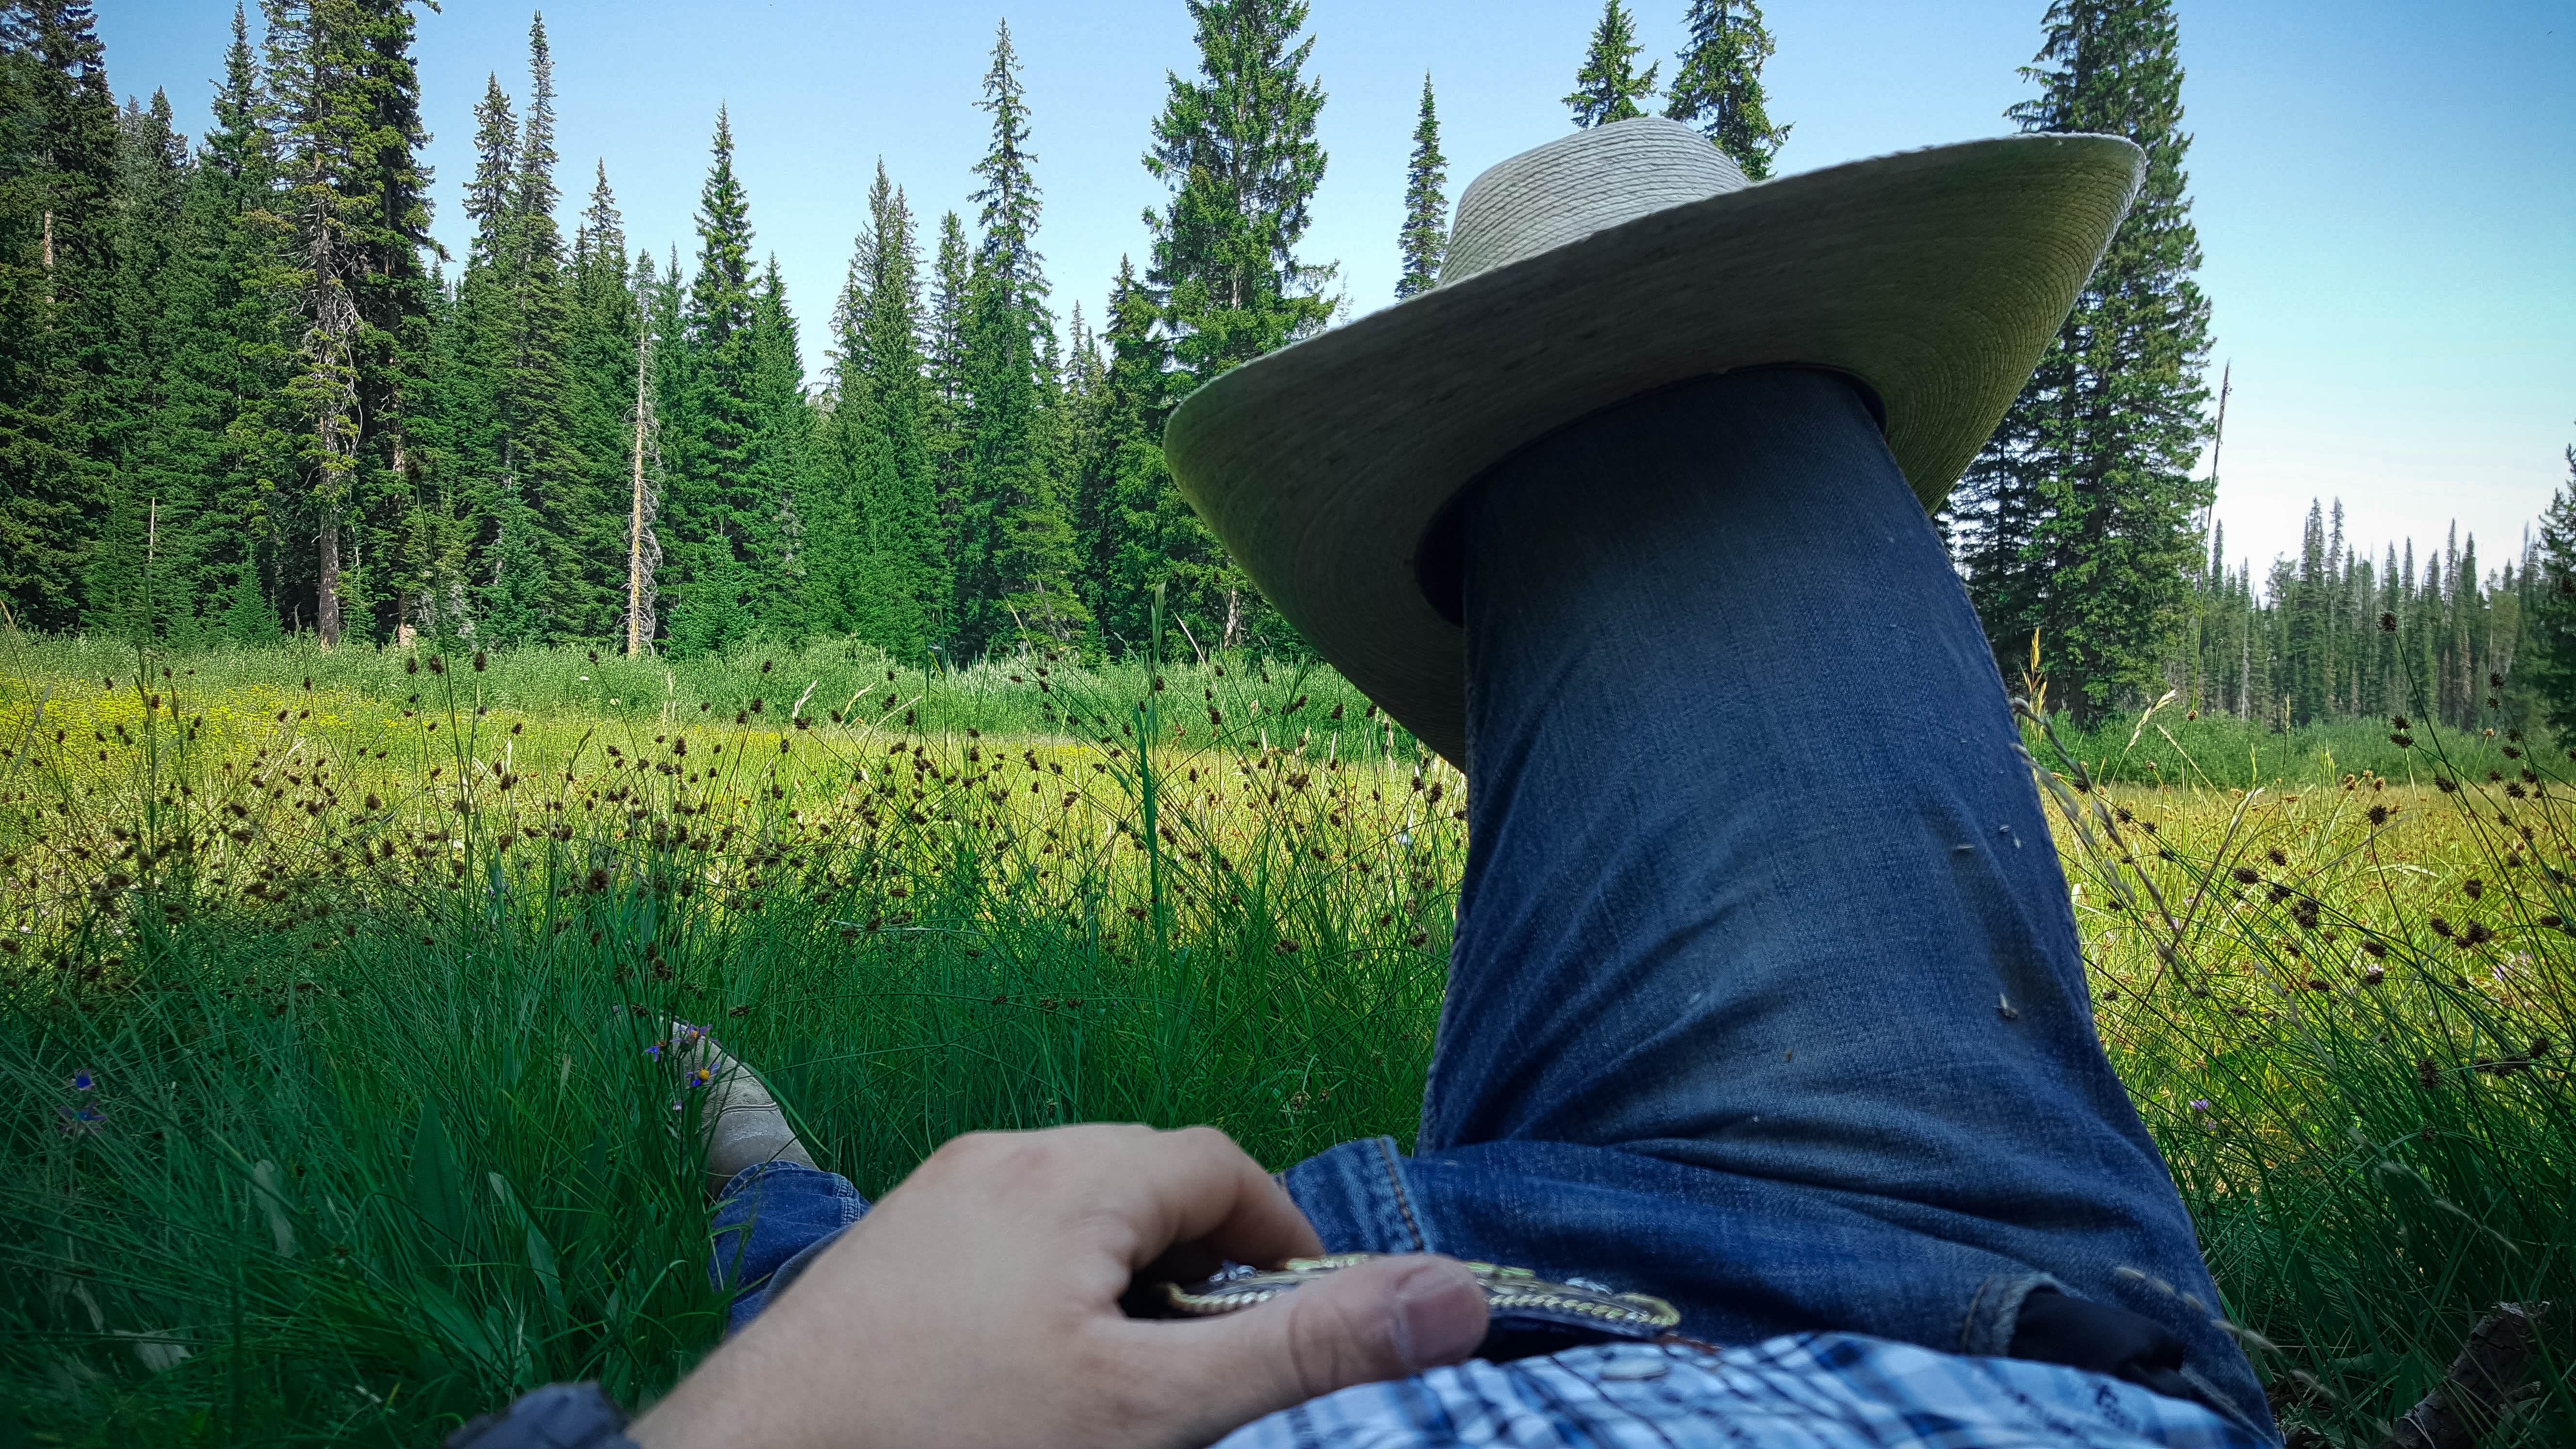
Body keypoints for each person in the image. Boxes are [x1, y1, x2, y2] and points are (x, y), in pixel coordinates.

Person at [450, 120, 2279, 1449]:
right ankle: (795, 1237)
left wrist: (779, 1432)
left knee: (876, 1317)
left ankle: (783, 1230)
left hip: (1480, 1304)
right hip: (2007, 1313)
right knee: (1730, 444)